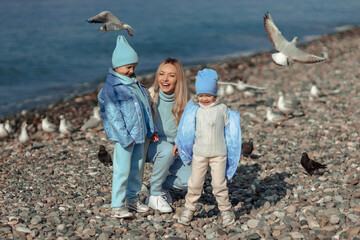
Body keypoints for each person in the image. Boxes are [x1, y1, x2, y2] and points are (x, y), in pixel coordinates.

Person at [98, 35, 158, 219]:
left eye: (133, 67)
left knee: (137, 169)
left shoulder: (135, 84)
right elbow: (113, 117)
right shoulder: (111, 89)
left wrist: (151, 129)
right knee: (122, 170)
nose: (132, 70)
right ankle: (117, 205)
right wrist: (124, 138)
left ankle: (132, 199)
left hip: (140, 135)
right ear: (117, 66)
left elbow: (145, 108)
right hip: (125, 139)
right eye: (128, 67)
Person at [174, 68, 242, 226]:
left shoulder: (222, 109)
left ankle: (225, 210)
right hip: (200, 153)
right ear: (197, 95)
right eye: (201, 95)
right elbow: (186, 129)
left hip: (219, 154)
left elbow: (230, 131)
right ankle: (189, 209)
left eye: (208, 95)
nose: (204, 98)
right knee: (195, 183)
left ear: (215, 95)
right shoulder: (195, 111)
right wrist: (180, 143)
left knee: (219, 184)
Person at [144, 58, 192, 213]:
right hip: (152, 147)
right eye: (161, 74)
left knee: (191, 181)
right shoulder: (150, 97)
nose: (164, 79)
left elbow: (193, 129)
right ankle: (154, 195)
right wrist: (149, 131)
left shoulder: (187, 101)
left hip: (176, 151)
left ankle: (159, 185)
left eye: (171, 75)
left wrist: (183, 141)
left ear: (178, 79)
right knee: (165, 149)